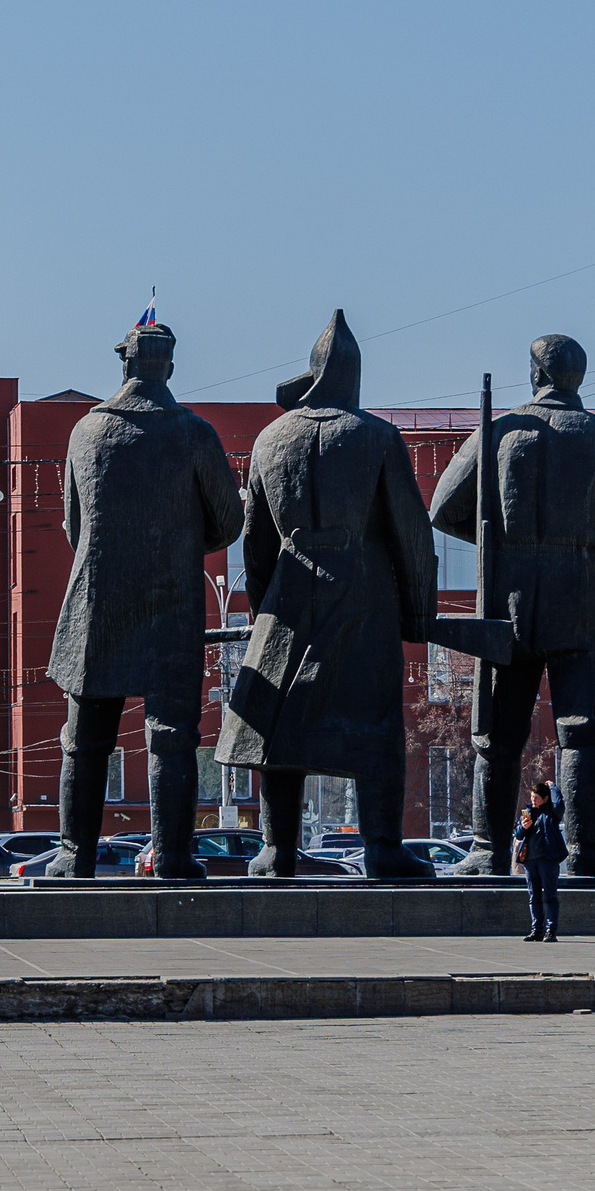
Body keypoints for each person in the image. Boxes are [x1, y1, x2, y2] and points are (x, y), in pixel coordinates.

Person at [214, 313, 439, 880]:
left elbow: (255, 542)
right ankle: (383, 848)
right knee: (376, 721)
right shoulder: (377, 436)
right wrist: (417, 611)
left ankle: (276, 849)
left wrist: (265, 608)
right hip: (364, 600)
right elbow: (412, 534)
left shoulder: (272, 438)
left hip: (287, 597)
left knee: (278, 725)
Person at [428, 335, 595, 877]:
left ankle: (486, 850)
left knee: (497, 733)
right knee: (585, 728)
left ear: (534, 375)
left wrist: (499, 536)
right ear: (579, 377)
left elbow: (442, 508)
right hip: (584, 597)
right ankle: (587, 854)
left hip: (510, 597)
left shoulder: (500, 433)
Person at [47, 316, 245, 880]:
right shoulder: (194, 433)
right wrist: (182, 545)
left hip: (96, 604)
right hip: (171, 601)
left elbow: (72, 525)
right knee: (174, 737)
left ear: (126, 363)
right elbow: (228, 522)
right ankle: (175, 857)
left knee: (84, 739)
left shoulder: (86, 432)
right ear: (171, 368)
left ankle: (73, 854)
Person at [515, 782, 567, 941]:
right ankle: (536, 929)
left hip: (548, 859)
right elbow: (518, 834)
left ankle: (551, 930)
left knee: (550, 895)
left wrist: (553, 788)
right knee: (534, 896)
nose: (533, 801)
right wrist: (523, 827)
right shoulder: (527, 812)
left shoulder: (552, 812)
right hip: (530, 860)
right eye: (531, 797)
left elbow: (560, 803)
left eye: (536, 798)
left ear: (545, 798)